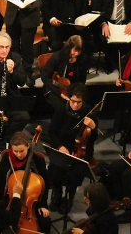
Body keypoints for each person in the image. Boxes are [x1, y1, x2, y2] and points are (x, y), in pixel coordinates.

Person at [47, 84, 97, 214]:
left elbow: (93, 139)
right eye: (72, 101)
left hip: (81, 148)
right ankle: (57, 193)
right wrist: (60, 146)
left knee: (75, 171)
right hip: (63, 145)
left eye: (78, 102)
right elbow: (51, 132)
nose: (75, 105)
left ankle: (70, 196)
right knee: (55, 167)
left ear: (83, 101)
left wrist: (93, 127)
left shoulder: (90, 112)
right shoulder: (61, 110)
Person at [0, 131, 51, 233]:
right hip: (10, 200)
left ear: (28, 146)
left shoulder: (38, 160)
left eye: (22, 151)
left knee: (45, 221)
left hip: (31, 203)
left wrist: (43, 205)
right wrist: (0, 201)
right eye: (15, 151)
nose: (18, 155)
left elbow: (44, 186)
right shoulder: (7, 158)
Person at [40, 35, 89, 106]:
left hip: (72, 90)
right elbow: (45, 77)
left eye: (79, 51)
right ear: (69, 47)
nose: (77, 53)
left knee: (81, 105)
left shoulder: (83, 60)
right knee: (62, 107)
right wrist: (60, 94)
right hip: (54, 88)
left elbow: (82, 81)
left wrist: (76, 94)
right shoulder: (57, 57)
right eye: (75, 50)